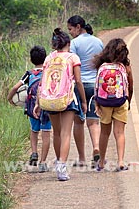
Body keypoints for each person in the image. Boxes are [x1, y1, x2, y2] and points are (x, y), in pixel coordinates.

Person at [34, 28, 87, 181]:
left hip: (49, 100)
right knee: (65, 133)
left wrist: (38, 102)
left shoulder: (48, 58)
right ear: (68, 44)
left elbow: (42, 82)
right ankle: (62, 166)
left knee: (56, 132)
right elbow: (78, 81)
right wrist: (83, 101)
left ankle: (58, 160)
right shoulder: (73, 57)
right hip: (67, 99)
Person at [7, 45, 51, 173]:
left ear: (31, 60)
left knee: (34, 130)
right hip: (46, 105)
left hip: (32, 106)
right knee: (46, 133)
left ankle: (34, 152)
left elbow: (16, 88)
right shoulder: (47, 72)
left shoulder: (29, 73)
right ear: (45, 58)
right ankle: (43, 162)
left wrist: (10, 98)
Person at [67, 15, 104, 167]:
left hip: (79, 86)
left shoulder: (74, 44)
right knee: (94, 121)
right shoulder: (98, 42)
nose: (69, 32)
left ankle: (82, 158)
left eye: (70, 29)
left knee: (78, 122)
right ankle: (96, 147)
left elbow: (72, 64)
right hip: (95, 85)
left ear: (78, 27)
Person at [93, 38, 133, 172]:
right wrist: (128, 102)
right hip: (120, 101)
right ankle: (121, 161)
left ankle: (101, 163)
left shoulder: (102, 66)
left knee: (104, 133)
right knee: (120, 132)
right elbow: (130, 86)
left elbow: (97, 87)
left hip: (104, 103)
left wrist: (97, 103)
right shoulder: (125, 67)